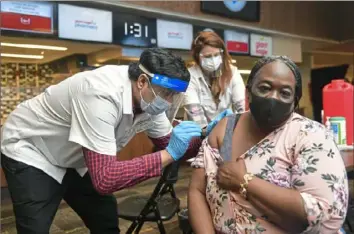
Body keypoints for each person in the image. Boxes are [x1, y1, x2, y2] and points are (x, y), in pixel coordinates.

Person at [0, 48, 228, 234]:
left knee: (105, 220)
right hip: (33, 148)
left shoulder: (152, 101)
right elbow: (106, 179)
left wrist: (207, 133)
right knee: (35, 228)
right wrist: (168, 155)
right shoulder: (99, 94)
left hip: (77, 155)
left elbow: (172, 146)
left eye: (174, 96)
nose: (168, 102)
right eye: (166, 93)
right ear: (142, 81)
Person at [188, 56, 349, 234]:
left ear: (295, 101)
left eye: (285, 93)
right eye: (265, 88)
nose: (273, 97)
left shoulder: (310, 136)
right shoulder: (226, 128)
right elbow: (197, 190)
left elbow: (327, 216)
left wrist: (245, 181)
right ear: (248, 93)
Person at [181, 31, 246, 131]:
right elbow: (195, 114)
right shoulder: (190, 76)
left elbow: (242, 106)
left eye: (216, 55)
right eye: (207, 56)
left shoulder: (232, 72)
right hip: (200, 134)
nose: (213, 60)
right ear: (198, 57)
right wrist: (208, 133)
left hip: (226, 131)